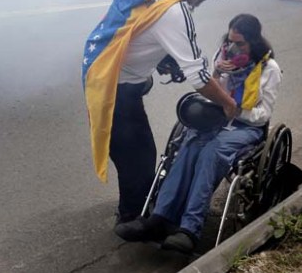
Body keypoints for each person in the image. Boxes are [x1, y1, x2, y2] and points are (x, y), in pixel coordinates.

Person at [81, 0, 239, 231]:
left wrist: (164, 58)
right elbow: (199, 76)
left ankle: (135, 205)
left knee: (128, 146)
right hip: (116, 85)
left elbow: (138, 27)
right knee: (139, 156)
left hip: (102, 66)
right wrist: (228, 103)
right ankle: (131, 217)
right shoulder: (174, 11)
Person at [115, 13, 283, 254]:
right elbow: (207, 93)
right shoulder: (222, 56)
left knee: (211, 153)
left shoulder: (270, 69)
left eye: (240, 44)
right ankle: (159, 218)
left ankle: (190, 229)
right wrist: (216, 73)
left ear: (254, 43)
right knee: (189, 146)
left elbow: (263, 114)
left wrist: (234, 111)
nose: (233, 48)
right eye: (230, 41)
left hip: (245, 127)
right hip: (214, 118)